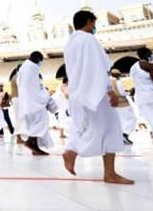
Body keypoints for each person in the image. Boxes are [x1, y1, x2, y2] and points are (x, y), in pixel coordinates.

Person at [61, 10, 133, 185]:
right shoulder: (89, 40)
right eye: (94, 23)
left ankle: (72, 151)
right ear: (88, 22)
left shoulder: (70, 43)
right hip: (96, 94)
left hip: (78, 94)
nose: (94, 27)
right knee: (112, 130)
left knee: (91, 129)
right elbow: (100, 68)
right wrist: (110, 91)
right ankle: (109, 173)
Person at [16, 52, 56, 155]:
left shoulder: (23, 68)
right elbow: (35, 88)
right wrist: (45, 96)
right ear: (38, 59)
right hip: (34, 103)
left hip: (26, 103)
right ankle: (31, 142)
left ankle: (35, 148)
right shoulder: (32, 68)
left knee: (34, 124)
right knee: (42, 122)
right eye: (40, 62)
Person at [110, 69, 137, 145]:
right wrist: (130, 92)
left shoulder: (108, 82)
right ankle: (124, 135)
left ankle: (119, 137)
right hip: (124, 105)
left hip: (114, 104)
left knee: (119, 121)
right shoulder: (123, 81)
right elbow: (127, 93)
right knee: (132, 119)